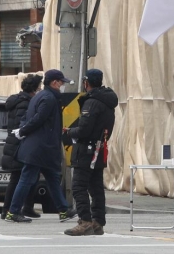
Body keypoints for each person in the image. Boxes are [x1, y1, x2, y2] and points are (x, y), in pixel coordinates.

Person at [5, 69, 77, 223]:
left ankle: (63, 210)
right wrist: (23, 131)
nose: (63, 85)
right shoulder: (49, 98)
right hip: (40, 148)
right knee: (26, 179)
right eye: (61, 82)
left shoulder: (40, 96)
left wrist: (22, 130)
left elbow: (28, 117)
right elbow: (39, 119)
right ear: (54, 83)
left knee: (53, 178)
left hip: (43, 147)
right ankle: (13, 211)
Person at [63, 69, 118, 236]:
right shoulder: (108, 101)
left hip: (86, 150)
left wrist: (70, 131)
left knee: (79, 186)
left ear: (86, 82)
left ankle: (85, 221)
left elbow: (85, 130)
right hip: (100, 148)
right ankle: (98, 222)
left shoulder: (91, 102)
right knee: (96, 187)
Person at [1, 74, 44, 220]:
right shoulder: (25, 103)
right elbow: (23, 125)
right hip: (19, 144)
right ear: (33, 88)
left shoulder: (19, 100)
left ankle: (27, 207)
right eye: (39, 87)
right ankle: (8, 210)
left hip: (16, 143)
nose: (40, 89)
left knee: (31, 176)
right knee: (17, 177)